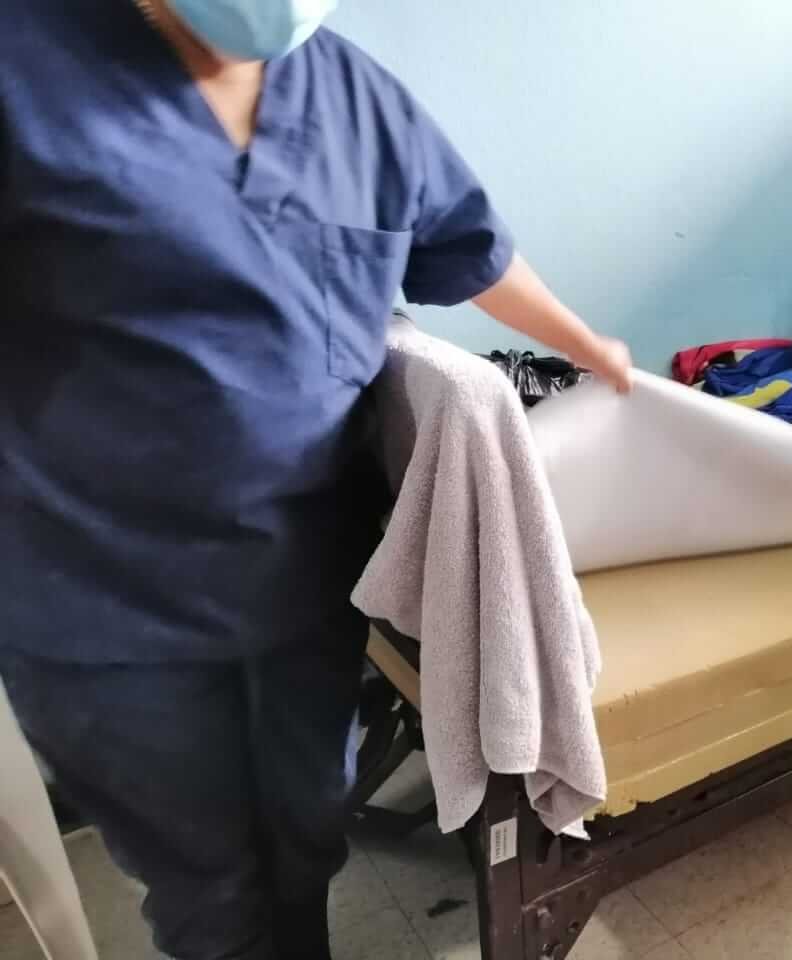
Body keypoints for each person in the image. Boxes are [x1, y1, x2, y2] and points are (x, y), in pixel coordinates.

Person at [0, 2, 631, 958]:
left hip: (299, 585)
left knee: (305, 839)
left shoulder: (351, 94)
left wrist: (586, 344)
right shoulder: (28, 58)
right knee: (206, 889)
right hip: (102, 606)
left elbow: (470, 248)